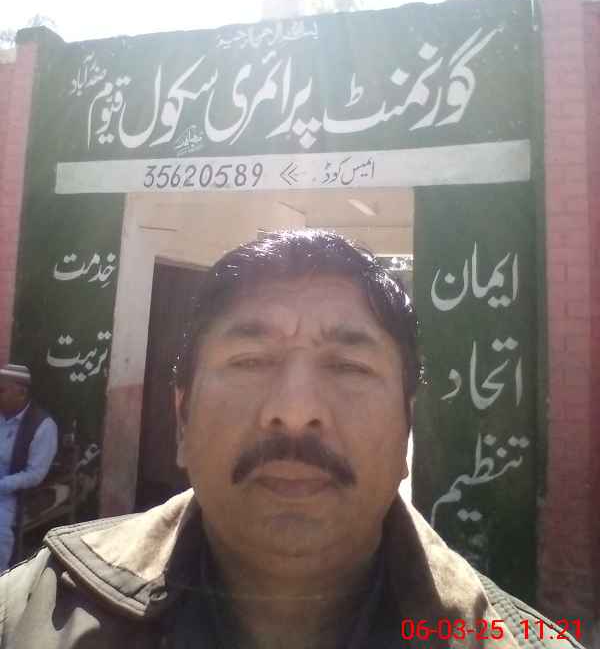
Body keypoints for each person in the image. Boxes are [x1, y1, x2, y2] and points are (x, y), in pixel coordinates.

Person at [0, 231, 582, 648]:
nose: (295, 412)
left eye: (349, 367)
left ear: (407, 426)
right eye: (251, 360)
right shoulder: (25, 616)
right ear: (182, 420)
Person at [0, 363, 58, 571]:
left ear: (21, 393)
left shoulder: (43, 426)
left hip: (10, 495)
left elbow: (36, 474)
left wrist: (2, 485)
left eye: (1, 390)